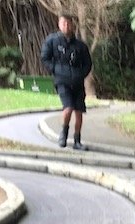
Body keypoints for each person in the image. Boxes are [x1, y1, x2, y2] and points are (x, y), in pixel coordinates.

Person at [40, 13, 92, 150]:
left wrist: (81, 75)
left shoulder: (80, 46)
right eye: (63, 23)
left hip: (77, 82)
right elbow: (45, 58)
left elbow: (88, 64)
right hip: (62, 81)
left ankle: (77, 140)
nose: (66, 26)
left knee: (79, 112)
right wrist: (56, 70)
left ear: (73, 25)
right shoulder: (52, 41)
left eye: (68, 23)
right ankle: (63, 133)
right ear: (59, 24)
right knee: (68, 109)